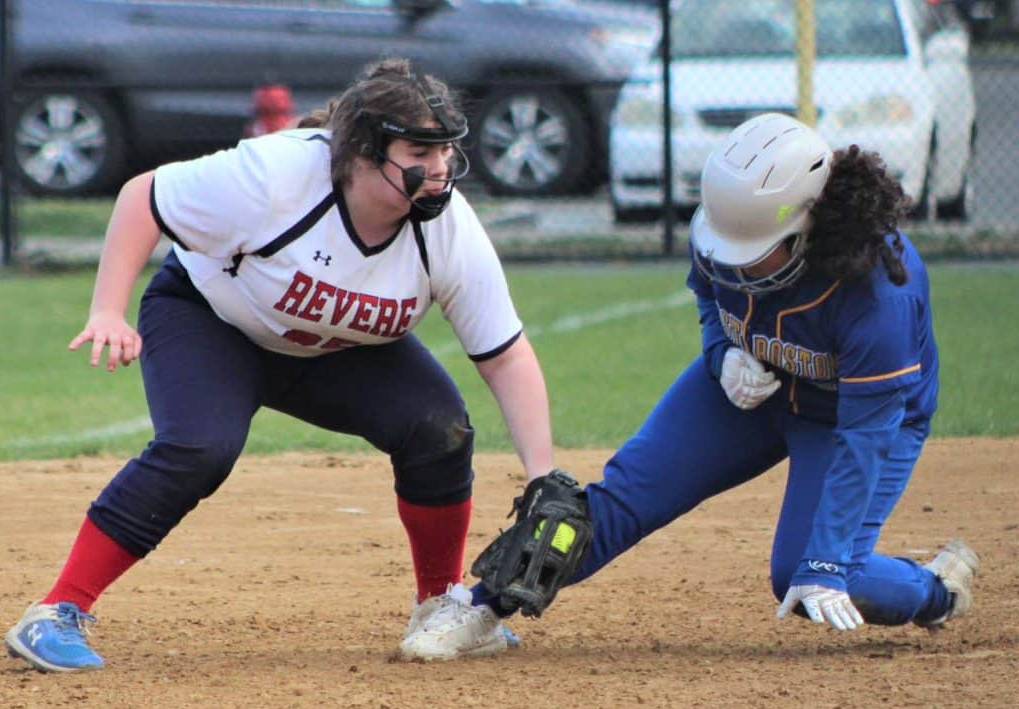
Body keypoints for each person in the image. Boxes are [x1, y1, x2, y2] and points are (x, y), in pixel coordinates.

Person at [4, 58, 555, 672]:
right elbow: (144, 197)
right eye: (419, 151)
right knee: (199, 447)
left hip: (334, 350)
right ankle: (56, 611)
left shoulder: (447, 229)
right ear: (367, 150)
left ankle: (439, 605)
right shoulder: (276, 176)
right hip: (211, 322)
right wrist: (108, 308)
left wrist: (543, 478)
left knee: (439, 428)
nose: (440, 170)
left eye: (446, 151)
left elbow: (505, 357)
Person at [402, 112, 980, 660]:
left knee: (811, 574)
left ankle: (935, 591)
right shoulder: (728, 227)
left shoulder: (882, 291)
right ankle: (481, 609)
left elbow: (867, 433)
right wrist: (721, 352)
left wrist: (826, 559)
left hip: (853, 420)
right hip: (748, 389)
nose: (732, 266)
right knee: (618, 500)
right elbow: (711, 296)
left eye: (750, 254)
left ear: (811, 225)